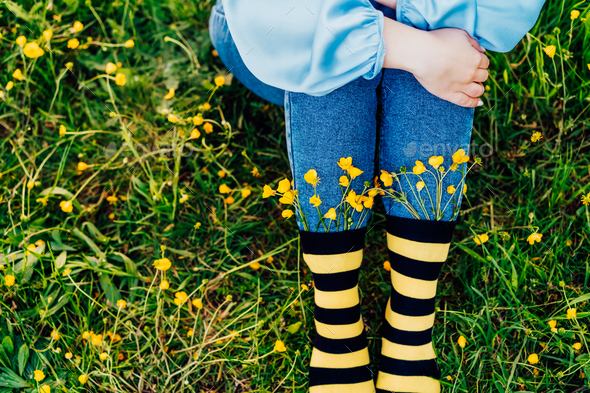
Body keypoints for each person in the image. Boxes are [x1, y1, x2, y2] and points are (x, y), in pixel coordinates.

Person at [209, 0, 546, 391]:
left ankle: (412, 319)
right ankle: (336, 319)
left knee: (440, 28)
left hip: (431, 43)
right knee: (330, 29)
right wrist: (411, 45)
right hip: (277, 39)